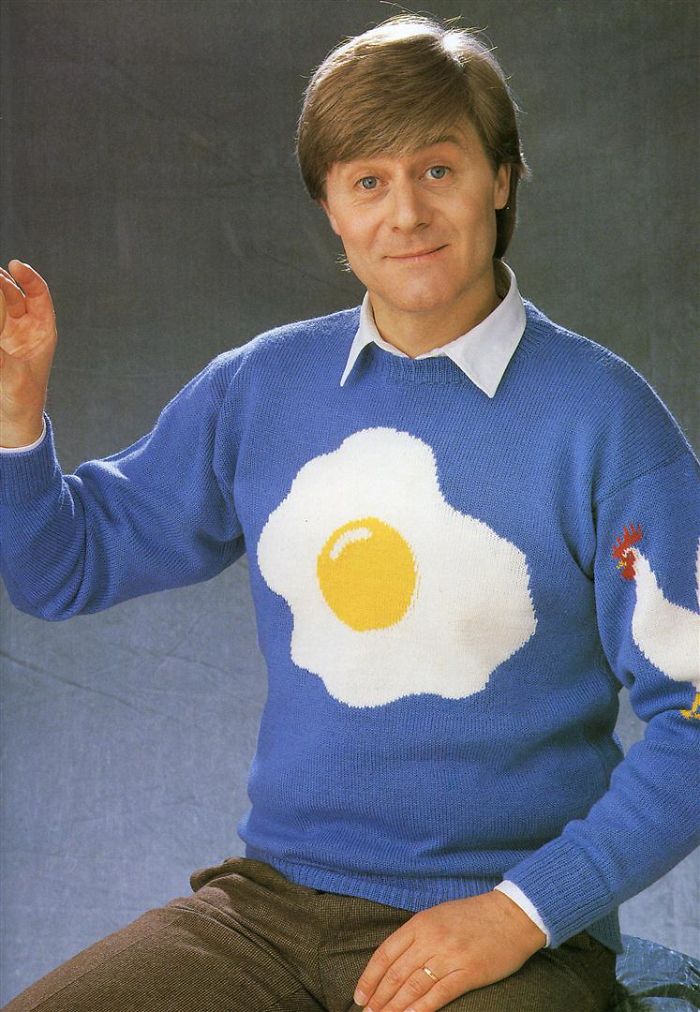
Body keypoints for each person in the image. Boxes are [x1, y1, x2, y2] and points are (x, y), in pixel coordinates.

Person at [0, 13, 698, 1012]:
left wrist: (522, 912)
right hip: (271, 913)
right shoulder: (260, 387)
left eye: (438, 169)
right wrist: (15, 416)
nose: (405, 213)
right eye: (368, 181)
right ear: (330, 206)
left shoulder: (606, 420)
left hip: (508, 934)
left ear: (502, 179)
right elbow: (60, 569)